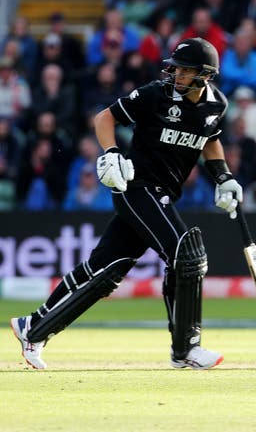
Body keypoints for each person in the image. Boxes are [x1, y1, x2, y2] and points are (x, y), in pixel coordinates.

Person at [10, 38, 243, 370]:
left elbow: (211, 140)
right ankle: (186, 347)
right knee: (187, 254)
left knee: (106, 269)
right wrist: (112, 153)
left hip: (164, 193)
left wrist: (223, 176)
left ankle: (33, 327)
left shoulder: (215, 106)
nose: (176, 75)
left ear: (205, 75)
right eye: (175, 67)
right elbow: (104, 119)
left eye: (185, 70)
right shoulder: (154, 94)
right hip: (136, 186)